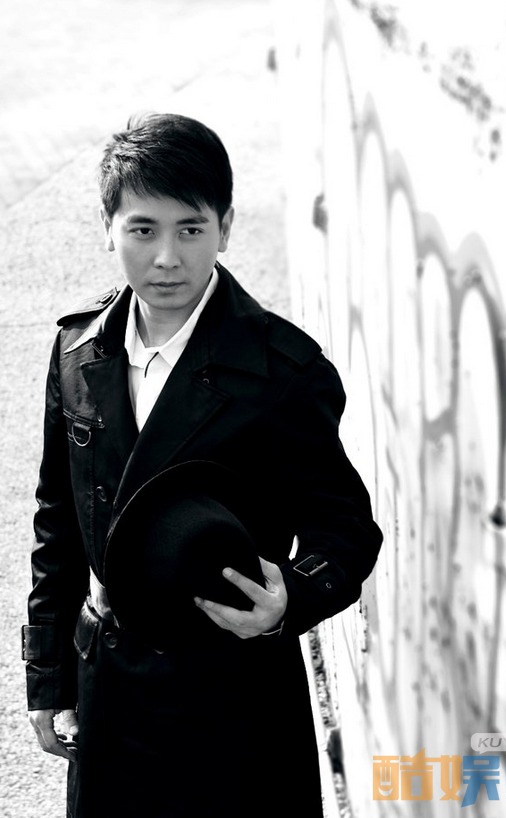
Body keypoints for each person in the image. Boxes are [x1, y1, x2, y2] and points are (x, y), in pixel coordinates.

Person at [23, 112, 383, 818]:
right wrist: (49, 675)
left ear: (226, 227)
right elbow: (57, 520)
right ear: (107, 228)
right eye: (143, 230)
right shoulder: (76, 351)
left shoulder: (282, 370)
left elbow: (346, 529)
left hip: (234, 687)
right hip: (110, 682)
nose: (167, 258)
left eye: (191, 229)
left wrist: (289, 600)